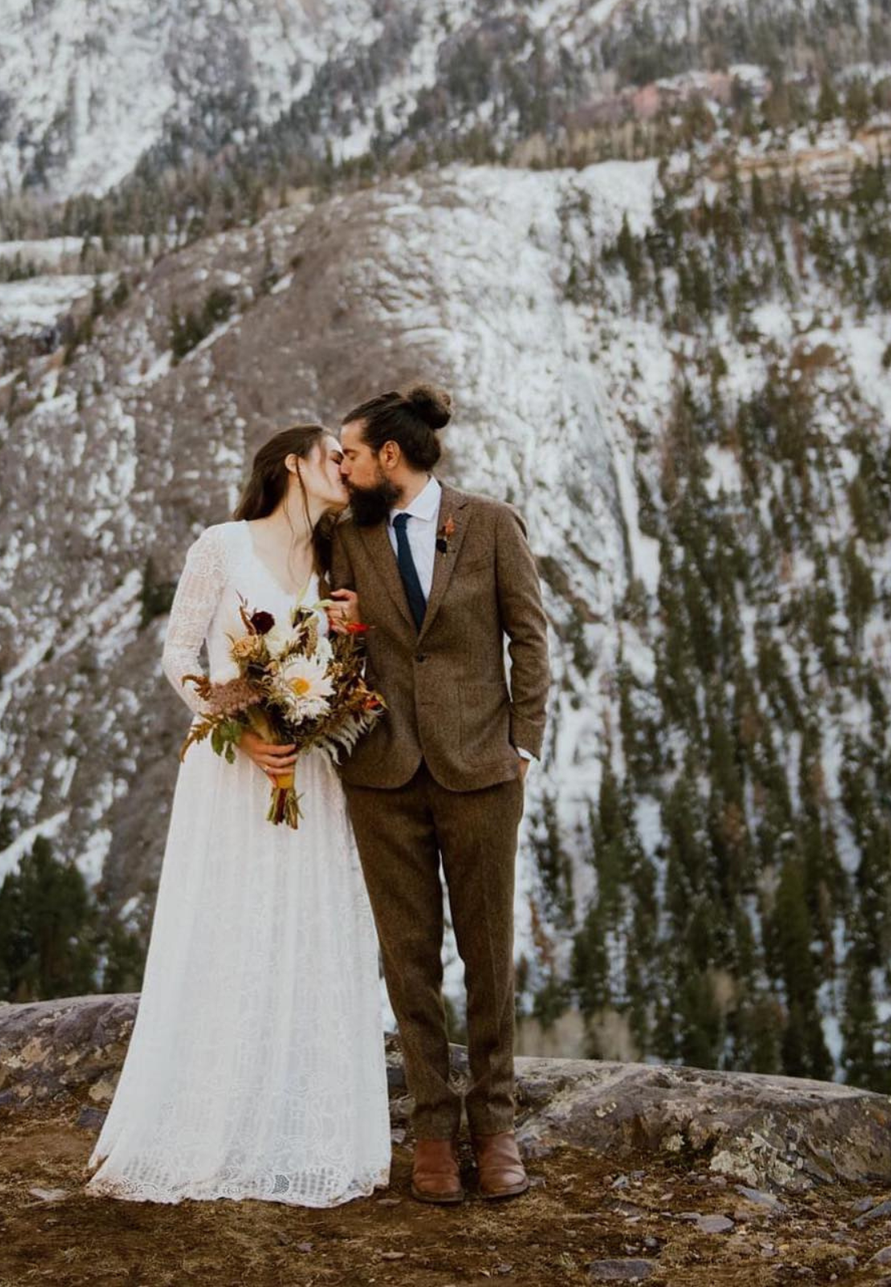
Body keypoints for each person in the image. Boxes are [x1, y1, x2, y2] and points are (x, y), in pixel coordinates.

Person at [83, 424, 392, 1207]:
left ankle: (298, 1132)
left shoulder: (335, 558)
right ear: (292, 462)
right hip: (231, 774)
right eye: (332, 456)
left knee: (304, 934)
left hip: (310, 776)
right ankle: (208, 1124)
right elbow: (179, 655)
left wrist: (348, 638)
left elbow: (346, 664)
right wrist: (246, 727)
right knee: (228, 931)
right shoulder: (221, 545)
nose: (343, 469)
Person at [329, 382, 550, 1204]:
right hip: (381, 776)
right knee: (407, 960)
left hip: (480, 774)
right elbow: (311, 628)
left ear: (390, 456)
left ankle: (495, 1126)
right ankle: (431, 1131)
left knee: (488, 954)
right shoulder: (343, 538)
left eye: (349, 454)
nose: (341, 469)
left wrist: (521, 742)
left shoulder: (488, 523)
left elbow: (527, 635)